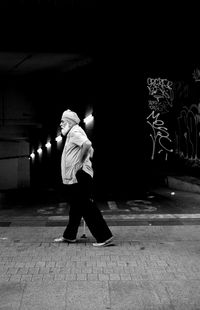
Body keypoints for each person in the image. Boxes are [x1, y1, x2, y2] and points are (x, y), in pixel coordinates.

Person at [54, 109, 113, 247]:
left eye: (63, 121)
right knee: (76, 207)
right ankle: (69, 236)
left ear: (69, 121)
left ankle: (104, 237)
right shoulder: (73, 133)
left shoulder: (74, 131)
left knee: (87, 207)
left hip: (80, 175)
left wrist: (79, 162)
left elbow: (87, 144)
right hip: (78, 176)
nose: (61, 124)